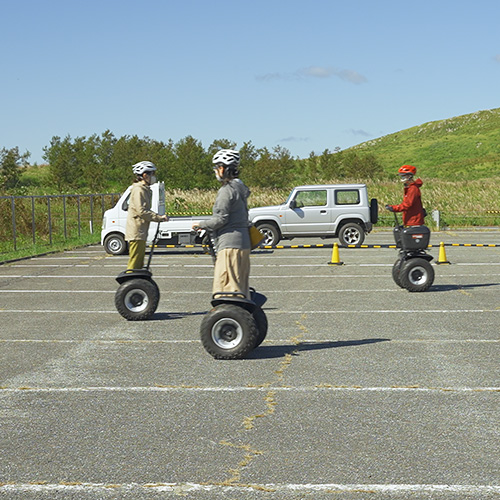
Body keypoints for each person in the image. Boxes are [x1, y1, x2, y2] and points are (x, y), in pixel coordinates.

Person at [192, 149, 251, 298]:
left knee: (226, 291)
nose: (216, 171)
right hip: (243, 243)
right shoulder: (240, 188)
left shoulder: (227, 190)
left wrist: (201, 224)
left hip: (229, 245)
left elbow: (221, 219)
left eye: (217, 167)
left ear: (223, 168)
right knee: (241, 291)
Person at [125, 161, 168, 270]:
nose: (153, 177)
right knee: (134, 262)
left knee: (139, 262)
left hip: (141, 231)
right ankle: (130, 282)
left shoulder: (144, 189)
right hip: (136, 232)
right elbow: (141, 211)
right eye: (152, 174)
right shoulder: (139, 189)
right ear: (145, 175)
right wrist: (159, 218)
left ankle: (136, 282)